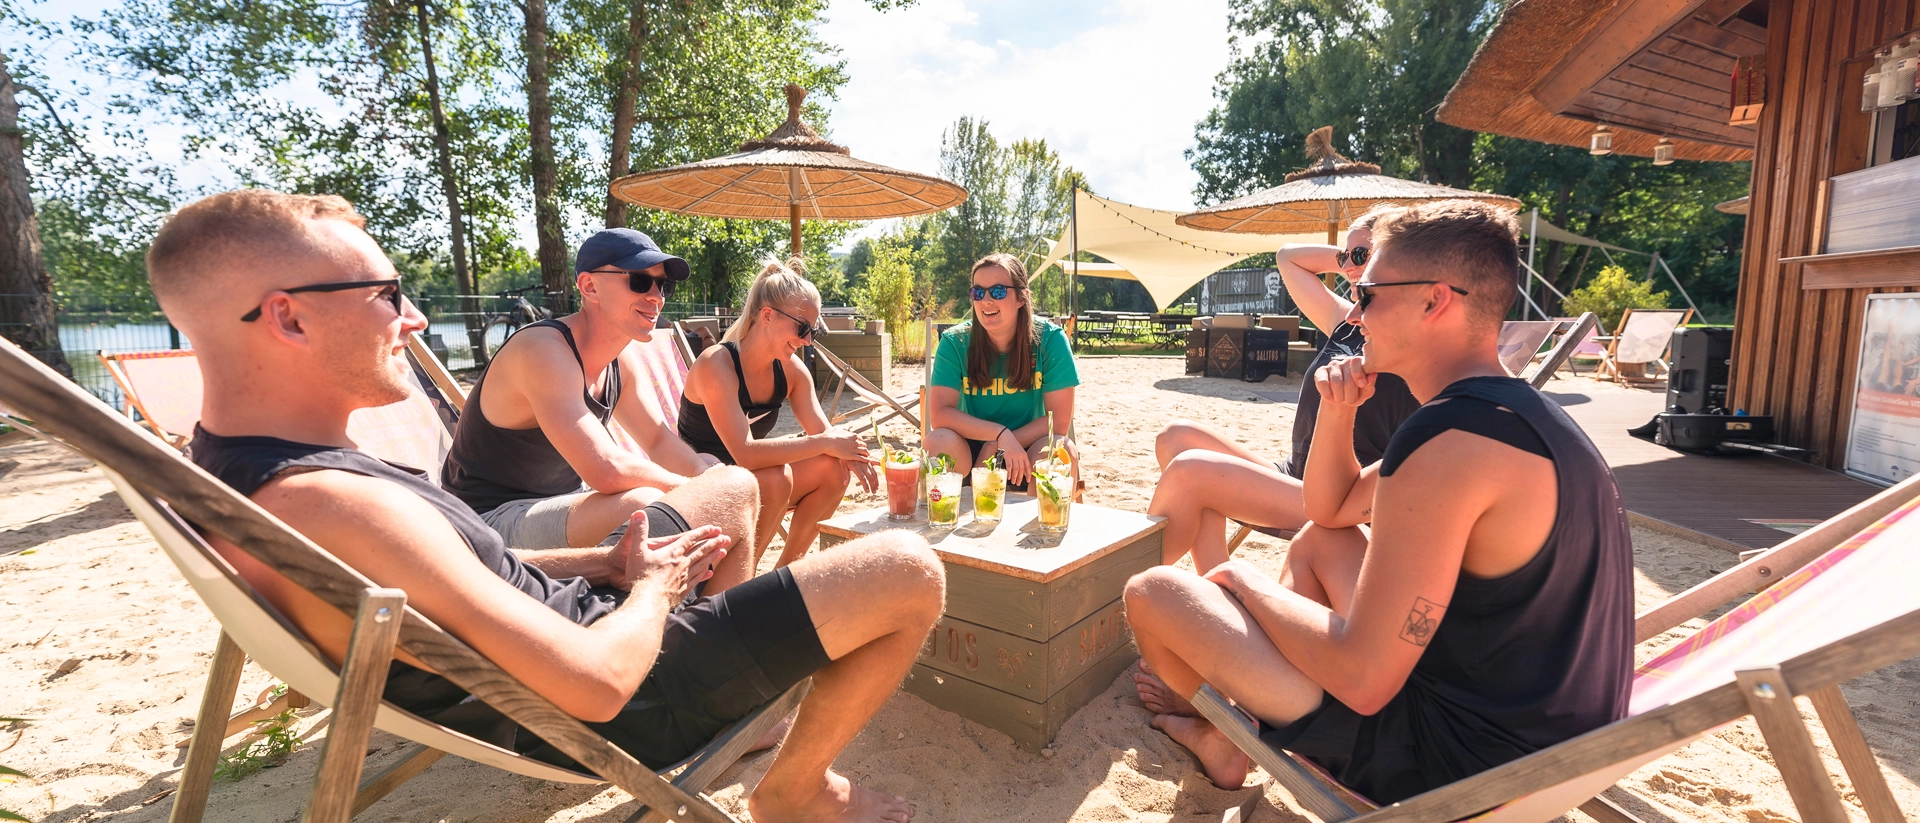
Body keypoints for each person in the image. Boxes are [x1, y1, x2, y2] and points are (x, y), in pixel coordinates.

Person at [157, 189, 943, 823]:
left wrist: (600, 562)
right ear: (288, 316)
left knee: (730, 486)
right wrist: (654, 592)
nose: (414, 317)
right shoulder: (327, 502)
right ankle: (794, 791)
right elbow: (597, 685)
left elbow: (434, 580)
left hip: (584, 611)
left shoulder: (269, 470)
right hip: (615, 690)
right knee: (910, 570)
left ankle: (736, 684)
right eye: (386, 295)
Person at [1124, 200, 1633, 804]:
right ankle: (1230, 738)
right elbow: (1329, 511)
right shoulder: (1512, 415)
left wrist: (1239, 581)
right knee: (1320, 543)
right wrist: (1339, 415)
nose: (1355, 314)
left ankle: (1221, 734)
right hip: (1547, 743)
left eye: (1368, 295)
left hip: (1456, 765)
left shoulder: (1448, 444)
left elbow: (1365, 682)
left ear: (1435, 300)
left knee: (1154, 593)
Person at [440, 228, 759, 592]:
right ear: (589, 287)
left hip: (559, 506)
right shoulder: (542, 350)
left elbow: (657, 440)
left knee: (713, 469)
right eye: (640, 281)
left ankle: (716, 619)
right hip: (483, 523)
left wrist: (706, 477)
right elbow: (606, 469)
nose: (656, 297)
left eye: (663, 286)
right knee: (645, 505)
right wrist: (697, 490)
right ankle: (644, 622)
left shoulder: (620, 362)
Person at [1150, 208, 1420, 571]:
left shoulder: (1409, 342)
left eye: (1361, 254)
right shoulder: (1349, 322)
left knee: (1190, 474)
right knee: (1175, 438)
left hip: (1339, 497)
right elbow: (1287, 257)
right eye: (1346, 256)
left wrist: (1371, 266)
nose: (1349, 266)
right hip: (1294, 476)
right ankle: (1216, 578)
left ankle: (1111, 591)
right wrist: (1351, 263)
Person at [678, 258, 877, 568]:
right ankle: (737, 579)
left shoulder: (792, 373)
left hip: (747, 482)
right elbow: (744, 454)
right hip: (696, 485)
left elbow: (826, 436)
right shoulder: (716, 364)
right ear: (767, 315)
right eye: (802, 328)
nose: (807, 340)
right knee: (776, 477)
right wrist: (829, 443)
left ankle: (784, 573)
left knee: (834, 468)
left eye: (814, 331)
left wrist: (850, 454)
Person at [926, 254, 1080, 488]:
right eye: (978, 292)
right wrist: (998, 435)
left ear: (1022, 297)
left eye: (997, 291)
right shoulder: (955, 342)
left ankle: (1042, 523)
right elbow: (940, 415)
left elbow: (1057, 421)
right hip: (970, 446)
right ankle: (942, 518)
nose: (985, 300)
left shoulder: (1050, 340)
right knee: (938, 441)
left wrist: (998, 443)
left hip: (1028, 447)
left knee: (1060, 448)